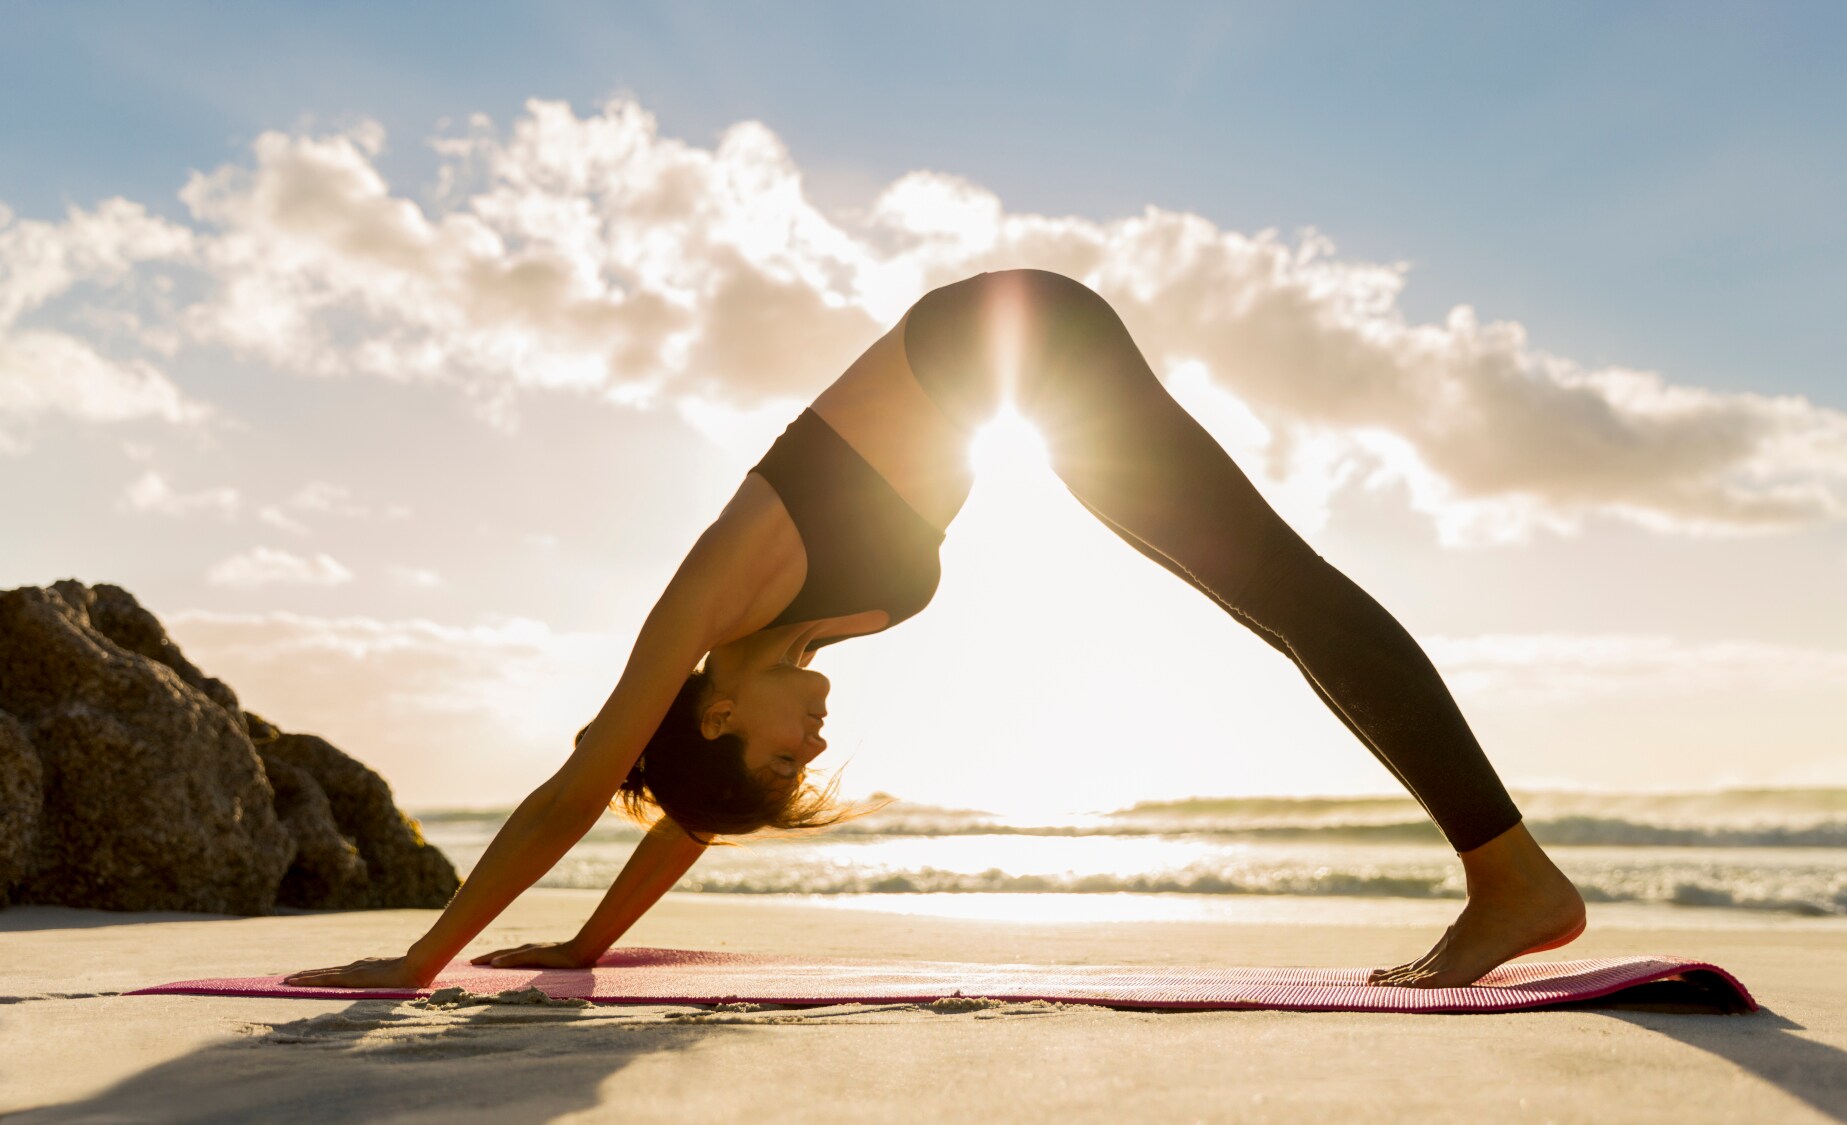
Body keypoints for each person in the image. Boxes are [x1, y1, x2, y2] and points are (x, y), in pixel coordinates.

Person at [284, 269, 1584, 992]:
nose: (817, 742)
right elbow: (689, 813)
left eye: (782, 759)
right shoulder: (780, 649)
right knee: (1276, 599)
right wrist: (584, 944)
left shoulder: (713, 591)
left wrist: (420, 957)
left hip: (1009, 342)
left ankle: (1511, 877)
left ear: (715, 711)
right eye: (806, 767)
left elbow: (584, 781)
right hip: (1025, 370)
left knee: (1284, 592)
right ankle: (1506, 871)